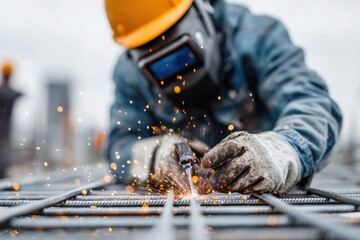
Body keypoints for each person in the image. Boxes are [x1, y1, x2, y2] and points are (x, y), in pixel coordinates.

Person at [104, 0, 342, 194]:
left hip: (262, 209)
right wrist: (157, 156)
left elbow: (313, 105)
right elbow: (120, 146)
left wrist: (279, 151)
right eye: (161, 67)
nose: (178, 74)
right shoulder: (130, 74)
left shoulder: (258, 38)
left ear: (200, 10)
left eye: (183, 55)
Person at [0, 61, 22, 178]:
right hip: (5, 136)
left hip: (3, 136)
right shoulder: (11, 93)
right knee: (4, 162)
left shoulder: (3, 91)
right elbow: (21, 93)